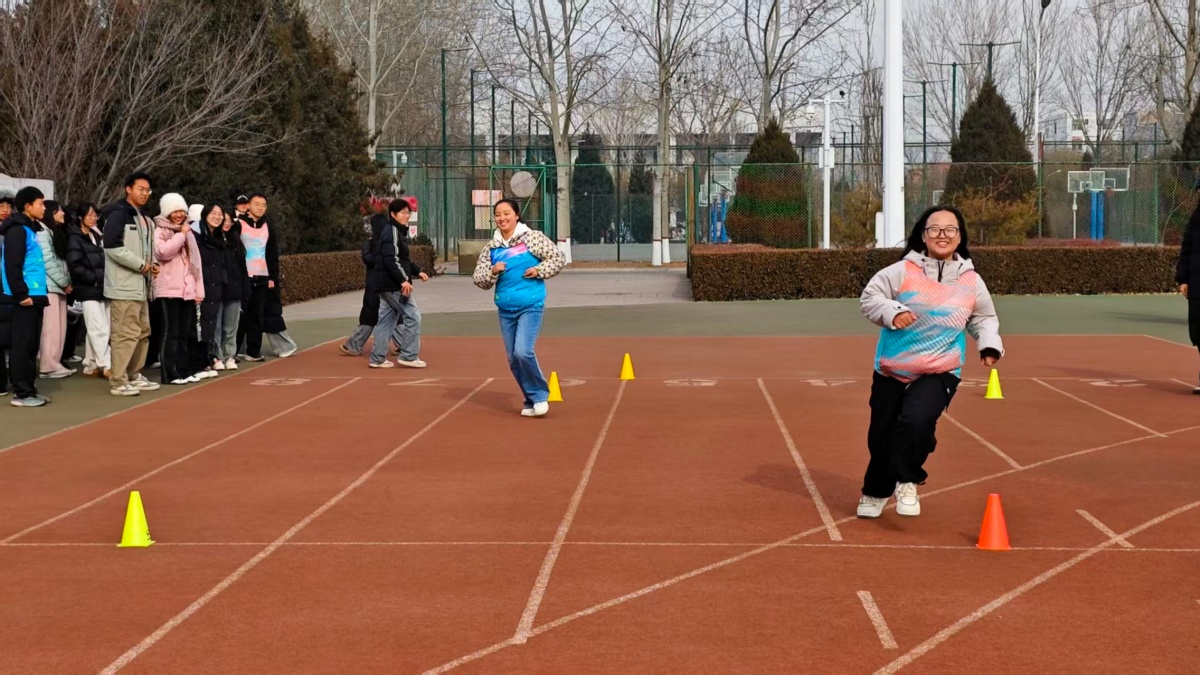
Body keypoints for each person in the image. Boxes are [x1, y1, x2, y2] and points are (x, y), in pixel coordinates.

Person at [856, 206, 1003, 519]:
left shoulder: (971, 280)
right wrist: (893, 312)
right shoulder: (901, 271)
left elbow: (983, 316)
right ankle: (876, 490)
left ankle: (907, 480)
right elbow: (870, 298)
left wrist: (988, 343)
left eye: (950, 229)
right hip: (893, 368)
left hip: (941, 367)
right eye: (934, 229)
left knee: (917, 420)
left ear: (960, 237)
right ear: (923, 235)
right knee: (881, 437)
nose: (942, 235)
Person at [472, 198, 565, 416]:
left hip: (530, 304)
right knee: (513, 359)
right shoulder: (492, 247)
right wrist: (492, 271)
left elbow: (557, 258)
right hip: (506, 309)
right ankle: (531, 400)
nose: (502, 218)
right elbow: (478, 278)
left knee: (523, 351)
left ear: (516, 215)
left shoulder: (532, 237)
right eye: (497, 215)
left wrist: (539, 270)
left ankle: (540, 395)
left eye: (506, 213)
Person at [103, 171, 161, 396]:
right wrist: (141, 265)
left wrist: (152, 264)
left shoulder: (145, 218)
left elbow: (148, 250)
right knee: (125, 334)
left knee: (142, 332)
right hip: (123, 286)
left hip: (141, 286)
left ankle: (134, 375)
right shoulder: (118, 214)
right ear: (128, 189)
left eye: (148, 190)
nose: (145, 193)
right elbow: (112, 246)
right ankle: (119, 380)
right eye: (141, 189)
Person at [1, 187, 50, 406]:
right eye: (40, 203)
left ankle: (29, 389)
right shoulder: (17, 231)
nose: (44, 207)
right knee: (21, 346)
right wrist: (21, 294)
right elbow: (12, 265)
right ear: (28, 206)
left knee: (31, 346)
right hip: (24, 297)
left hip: (35, 295)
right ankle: (21, 393)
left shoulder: (30, 230)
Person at [153, 193, 208, 385]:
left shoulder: (188, 233)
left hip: (187, 291)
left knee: (185, 332)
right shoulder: (161, 230)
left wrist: (199, 291)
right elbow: (162, 252)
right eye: (174, 211)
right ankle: (169, 374)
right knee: (171, 332)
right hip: (168, 290)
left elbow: (196, 264)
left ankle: (184, 370)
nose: (178, 215)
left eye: (181, 211)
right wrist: (181, 235)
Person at [366, 200, 428, 369]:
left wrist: (417, 271)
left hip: (386, 284)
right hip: (393, 285)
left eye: (408, 213)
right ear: (393, 214)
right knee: (413, 316)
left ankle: (377, 358)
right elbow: (391, 259)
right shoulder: (392, 231)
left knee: (386, 321)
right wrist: (403, 280)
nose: (406, 216)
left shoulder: (397, 232)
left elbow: (403, 259)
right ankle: (409, 355)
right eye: (402, 213)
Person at [67, 202, 111, 378]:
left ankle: (90, 364)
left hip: (101, 287)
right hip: (88, 288)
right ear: (80, 217)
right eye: (90, 215)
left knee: (101, 326)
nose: (94, 218)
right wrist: (92, 278)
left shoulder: (96, 235)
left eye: (95, 215)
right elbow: (74, 264)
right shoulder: (75, 237)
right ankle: (106, 365)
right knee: (98, 328)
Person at [236, 193, 278, 362]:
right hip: (243, 277)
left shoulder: (268, 226)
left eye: (263, 205)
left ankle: (253, 352)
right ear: (248, 206)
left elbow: (272, 254)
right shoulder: (238, 224)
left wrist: (272, 277)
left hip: (262, 276)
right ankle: (232, 352)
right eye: (256, 204)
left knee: (257, 315)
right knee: (240, 315)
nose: (260, 207)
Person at [36, 201, 75, 378]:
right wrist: (64, 282)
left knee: (59, 328)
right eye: (59, 211)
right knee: (51, 328)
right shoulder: (43, 233)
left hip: (57, 287)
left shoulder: (53, 232)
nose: (63, 213)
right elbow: (48, 262)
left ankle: (54, 364)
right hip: (50, 287)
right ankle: (48, 366)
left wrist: (65, 283)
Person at [213, 208, 244, 370]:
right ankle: (217, 357)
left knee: (231, 327)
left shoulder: (236, 242)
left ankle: (229, 355)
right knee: (216, 327)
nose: (226, 223)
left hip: (234, 290)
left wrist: (244, 290)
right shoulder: (212, 240)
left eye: (229, 220)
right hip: (217, 289)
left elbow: (242, 268)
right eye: (223, 220)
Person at [1178, 193, 1200, 394]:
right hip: (1197, 283)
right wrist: (1183, 279)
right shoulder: (1196, 216)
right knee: (1198, 330)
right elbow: (1186, 248)